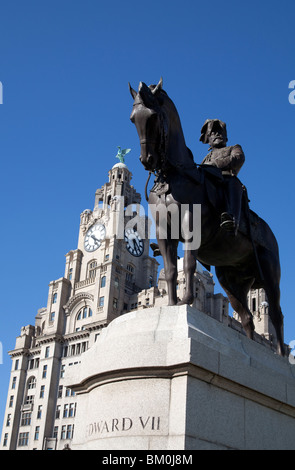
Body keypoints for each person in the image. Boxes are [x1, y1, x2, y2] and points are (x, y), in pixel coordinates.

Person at [200, 119, 245, 234]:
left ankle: (232, 220)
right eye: (213, 134)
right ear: (209, 141)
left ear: (226, 138)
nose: (217, 135)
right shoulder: (206, 158)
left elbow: (238, 158)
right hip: (207, 182)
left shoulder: (234, 148)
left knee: (233, 182)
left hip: (226, 179)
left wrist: (215, 164)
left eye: (220, 133)